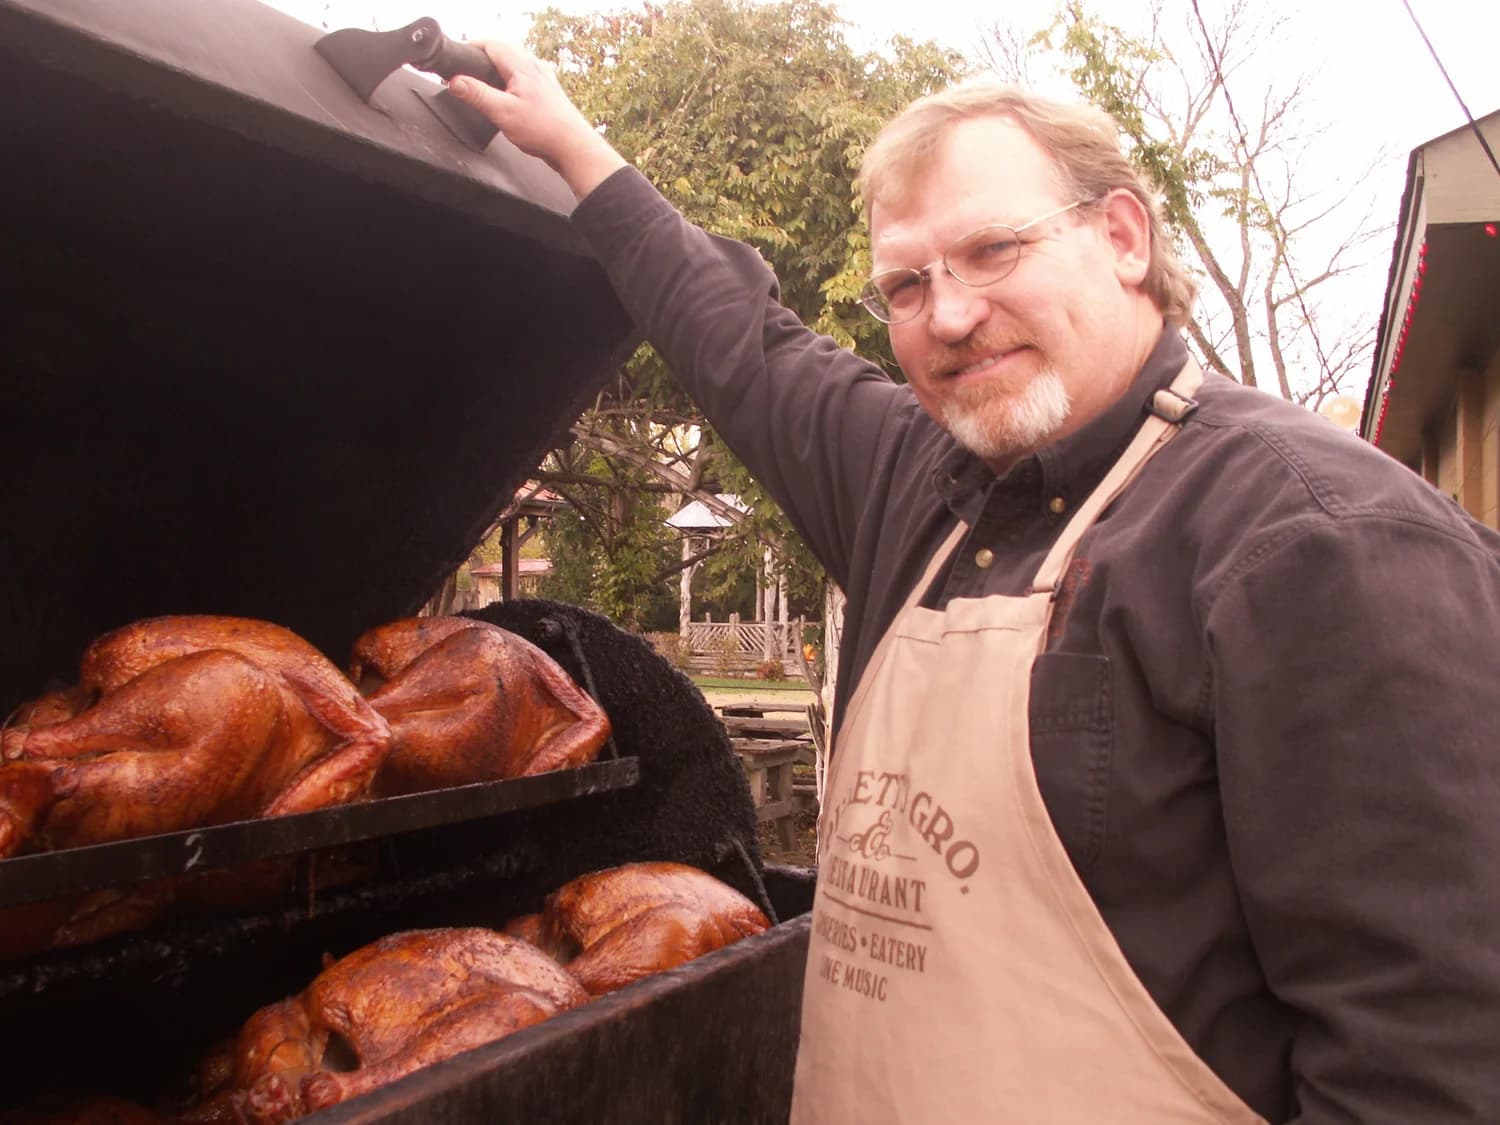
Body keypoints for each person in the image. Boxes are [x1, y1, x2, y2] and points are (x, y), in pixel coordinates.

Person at [448, 49, 1500, 1124]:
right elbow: (742, 344)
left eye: (993, 251)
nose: (948, 317)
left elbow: (1432, 1063)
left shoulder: (1319, 545)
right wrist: (574, 146)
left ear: (1123, 237)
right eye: (907, 283)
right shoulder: (917, 484)